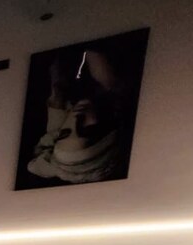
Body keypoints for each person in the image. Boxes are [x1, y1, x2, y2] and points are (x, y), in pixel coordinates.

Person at [27, 47, 133, 185]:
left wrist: (57, 93)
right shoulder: (115, 80)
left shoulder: (64, 95)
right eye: (88, 131)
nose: (76, 119)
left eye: (65, 133)